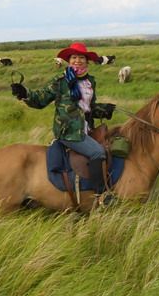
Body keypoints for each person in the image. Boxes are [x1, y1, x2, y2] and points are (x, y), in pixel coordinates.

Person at [11, 42, 116, 192]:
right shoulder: (61, 81)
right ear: (69, 60)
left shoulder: (90, 81)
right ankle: (101, 195)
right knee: (98, 152)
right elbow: (40, 99)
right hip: (69, 131)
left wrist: (104, 108)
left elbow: (88, 107)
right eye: (74, 57)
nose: (77, 61)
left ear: (87, 61)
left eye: (81, 57)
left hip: (87, 128)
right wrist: (25, 93)